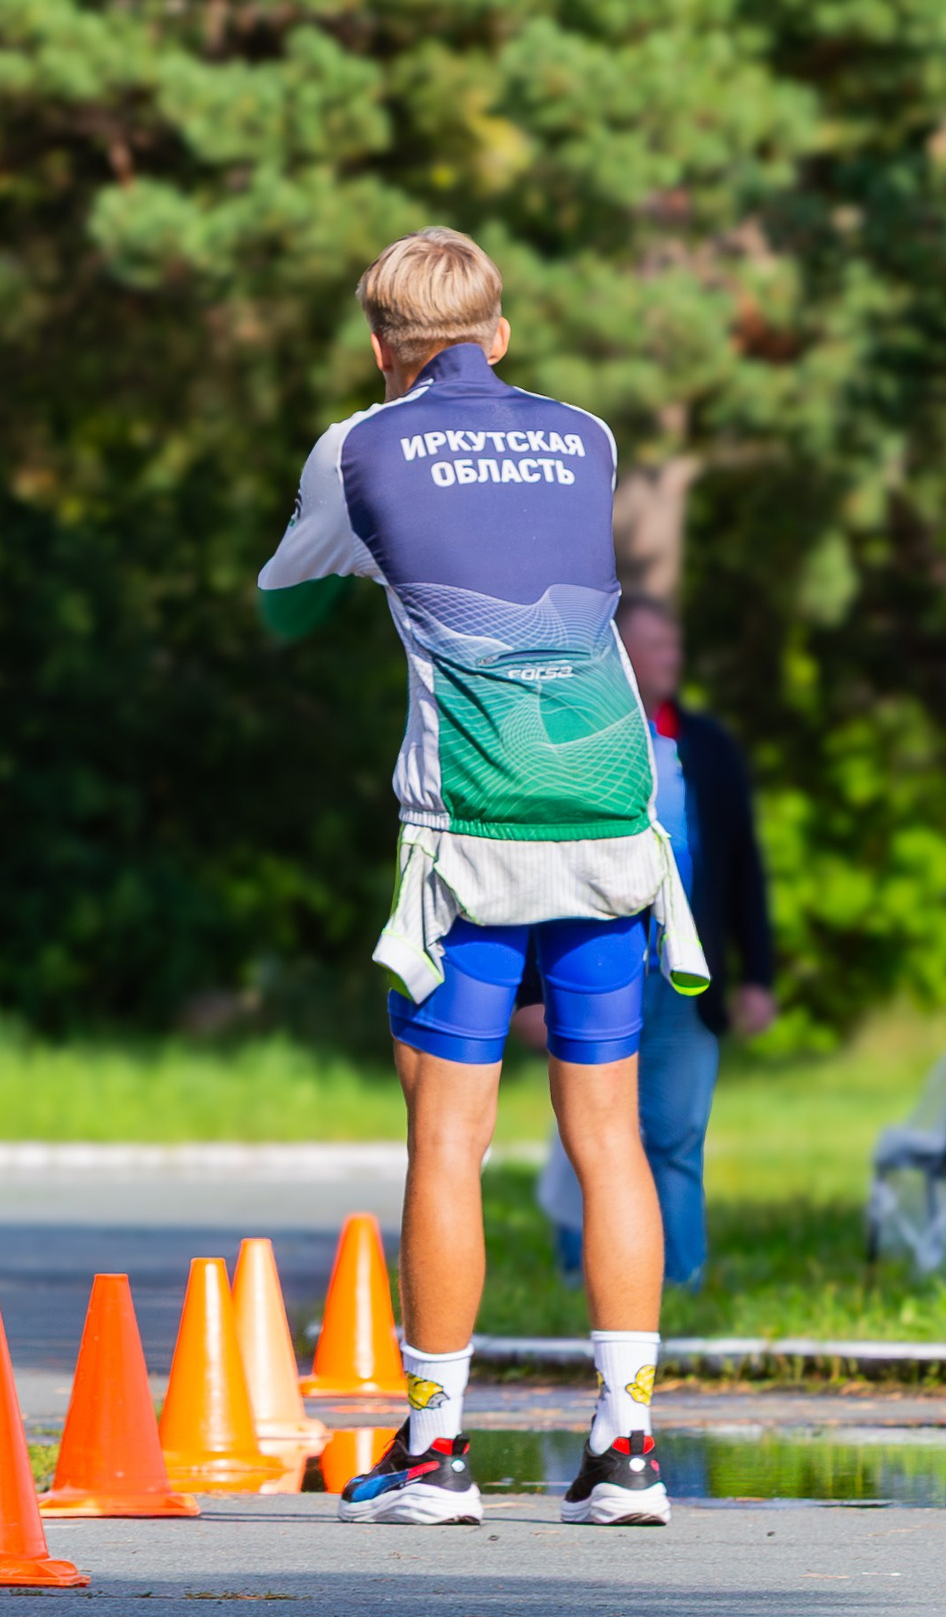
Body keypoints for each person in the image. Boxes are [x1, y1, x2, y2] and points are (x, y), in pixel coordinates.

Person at [258, 227, 707, 1526]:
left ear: (378, 348)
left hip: (474, 830)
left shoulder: (356, 445)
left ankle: (436, 1451)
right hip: (617, 815)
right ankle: (627, 1450)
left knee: (448, 1135)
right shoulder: (591, 434)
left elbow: (284, 599)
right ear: (498, 334)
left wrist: (333, 580)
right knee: (609, 1133)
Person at [533, 593, 778, 1288]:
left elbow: (743, 866)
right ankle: (581, 1278)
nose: (671, 659)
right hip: (591, 960)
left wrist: (758, 974)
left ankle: (680, 1280)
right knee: (591, 1130)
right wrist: (528, 982)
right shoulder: (569, 736)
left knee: (675, 1136)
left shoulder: (707, 747)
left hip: (684, 973)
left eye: (675, 646)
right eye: (657, 646)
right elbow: (539, 862)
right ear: (618, 654)